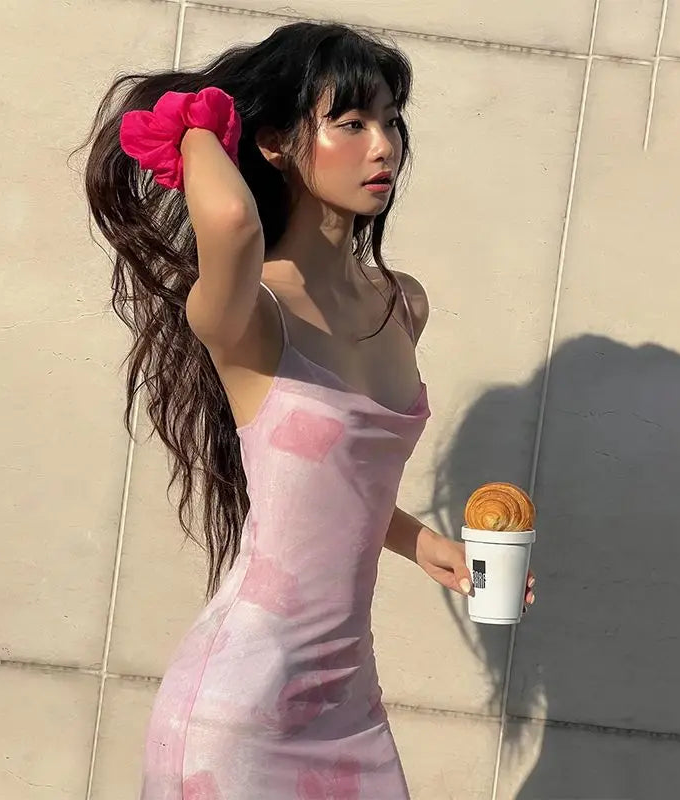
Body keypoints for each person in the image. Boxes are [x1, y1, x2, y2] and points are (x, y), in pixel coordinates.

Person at [76, 19, 536, 799]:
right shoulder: (247, 313)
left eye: (391, 120)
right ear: (275, 144)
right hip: (240, 711)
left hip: (349, 704)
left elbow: (330, 482)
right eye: (350, 123)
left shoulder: (403, 304)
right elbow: (231, 223)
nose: (383, 146)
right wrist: (195, 128)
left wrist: (423, 542)